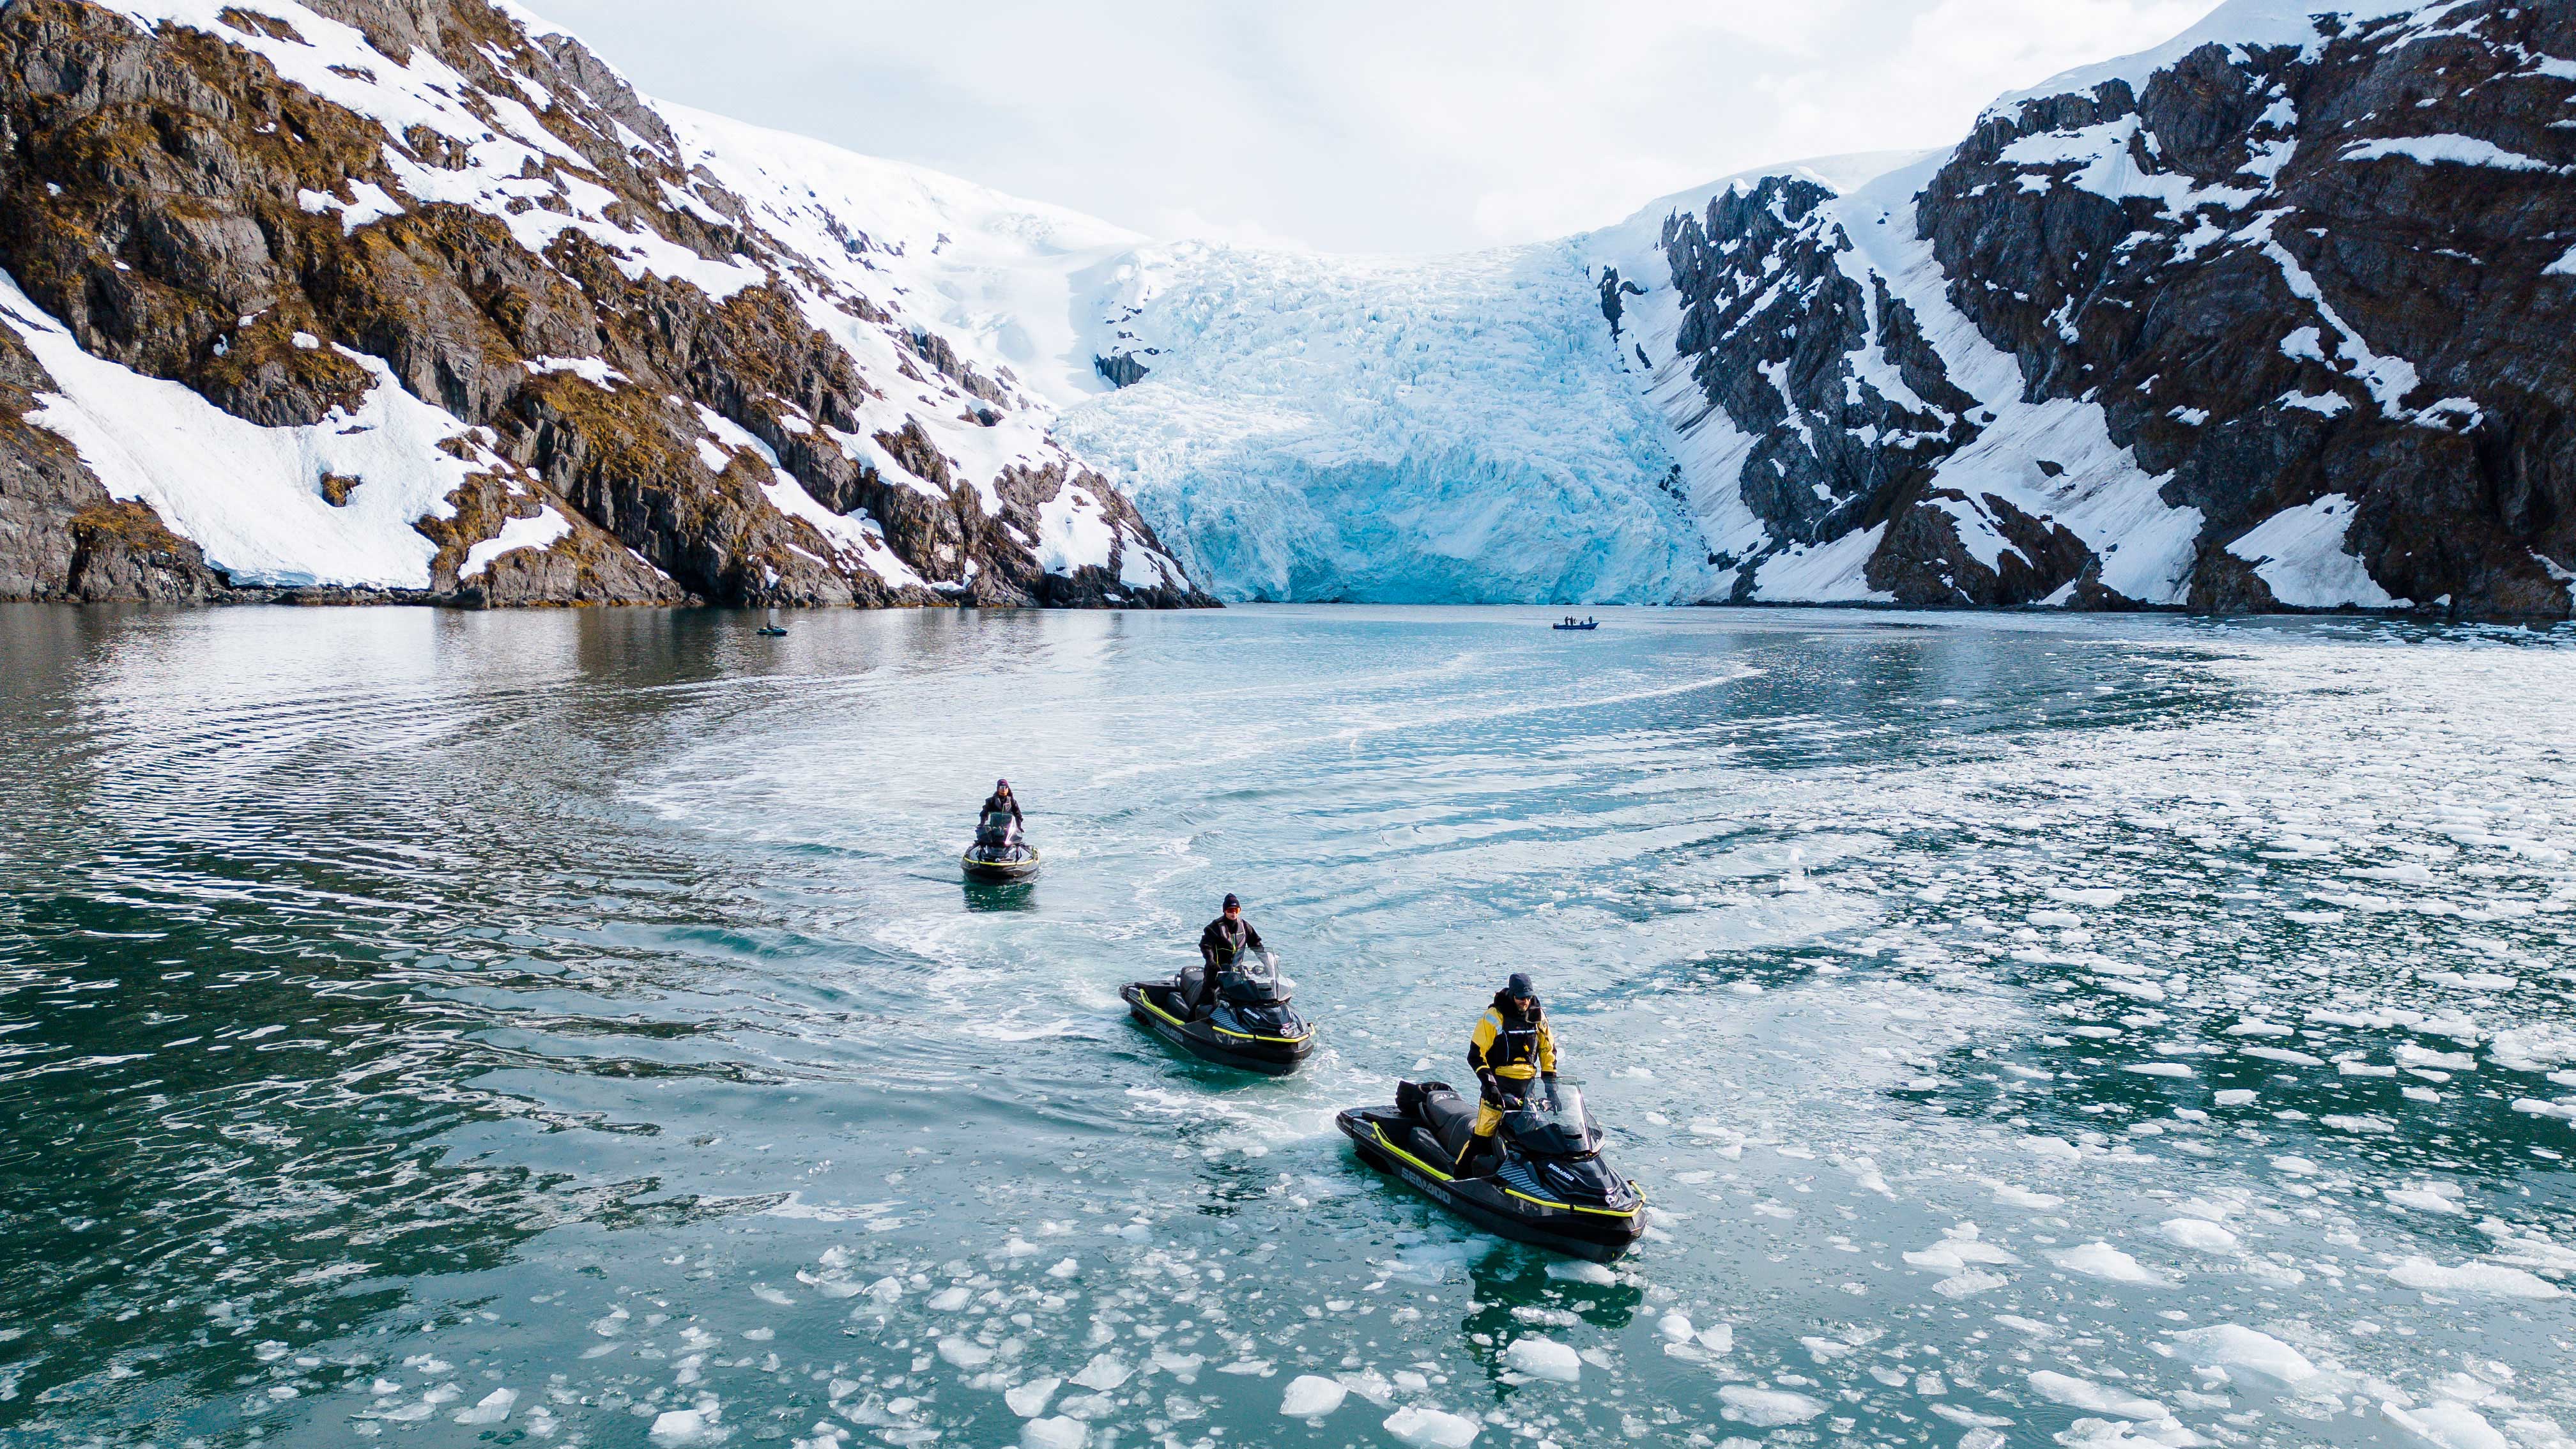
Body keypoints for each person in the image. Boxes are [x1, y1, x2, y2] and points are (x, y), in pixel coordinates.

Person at [1457, 971, 1557, 1176]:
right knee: (1482, 1138)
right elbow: (1476, 1055)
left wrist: (1552, 1089)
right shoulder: (1494, 1017)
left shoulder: (1538, 1017)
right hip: (1498, 1090)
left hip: (1527, 1090)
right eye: (1521, 997)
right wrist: (1490, 1085)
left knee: (1531, 1140)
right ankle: (1457, 1176)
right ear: (1512, 995)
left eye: (1528, 997)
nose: (1526, 1001)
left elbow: (1548, 1051)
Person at [1192, 893, 1264, 1016]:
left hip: (1236, 971)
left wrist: (1265, 960)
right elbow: (1206, 946)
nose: (1233, 913)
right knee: (1207, 996)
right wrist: (1211, 961)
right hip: (1216, 971)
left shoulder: (1245, 926)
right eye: (1230, 910)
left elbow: (1256, 944)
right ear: (1225, 911)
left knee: (1250, 994)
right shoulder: (1214, 927)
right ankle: (1189, 1023)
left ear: (1239, 910)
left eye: (1236, 910)